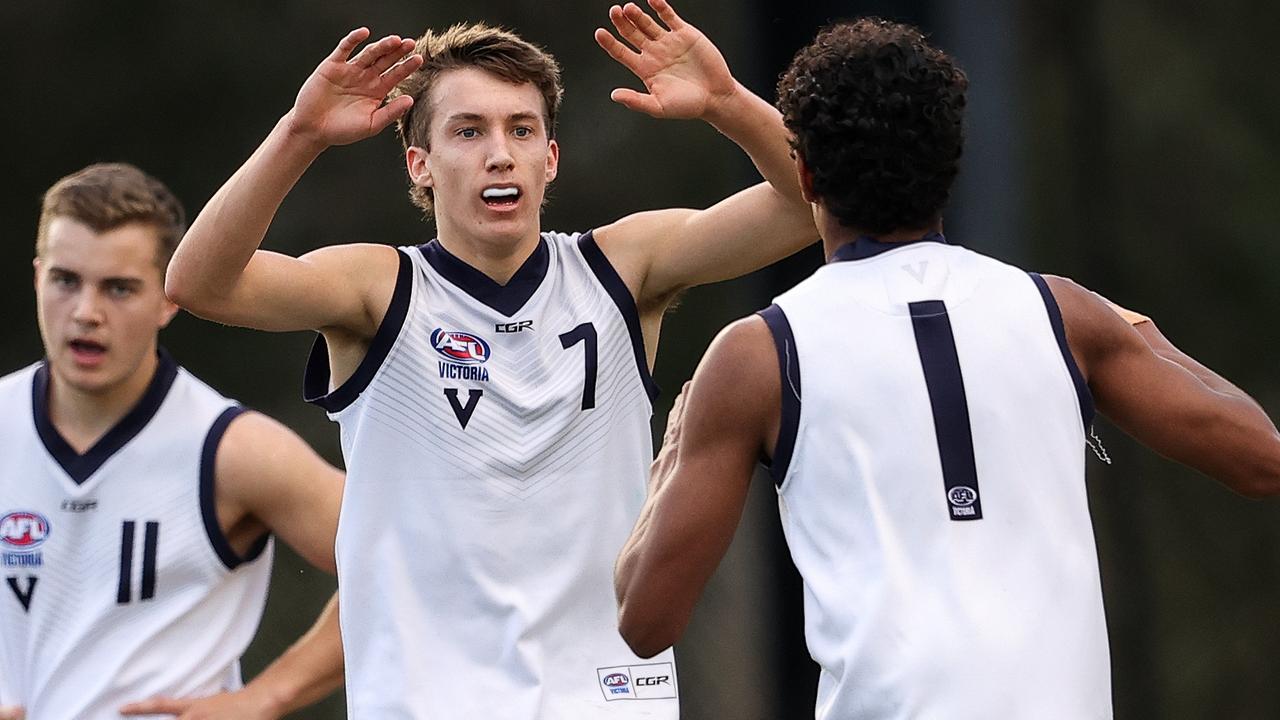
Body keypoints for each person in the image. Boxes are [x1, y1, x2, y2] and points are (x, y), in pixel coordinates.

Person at [612, 18, 1280, 720]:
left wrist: (677, 445)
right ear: (951, 162)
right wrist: (1134, 331)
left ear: (803, 174)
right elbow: (1263, 459)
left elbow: (644, 621)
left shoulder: (757, 354)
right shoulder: (1064, 314)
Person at [164, 1, 816, 716]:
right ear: (421, 165)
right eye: (468, 131)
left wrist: (726, 104)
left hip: (605, 699)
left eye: (521, 129)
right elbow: (199, 284)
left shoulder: (623, 268)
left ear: (549, 159)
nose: (499, 152)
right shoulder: (378, 289)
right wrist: (300, 135)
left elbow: (810, 204)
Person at [0, 163, 346, 720]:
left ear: (168, 300)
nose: (87, 313)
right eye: (66, 281)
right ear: (38, 277)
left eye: (119, 288)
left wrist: (265, 697)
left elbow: (407, 561)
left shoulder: (232, 450)